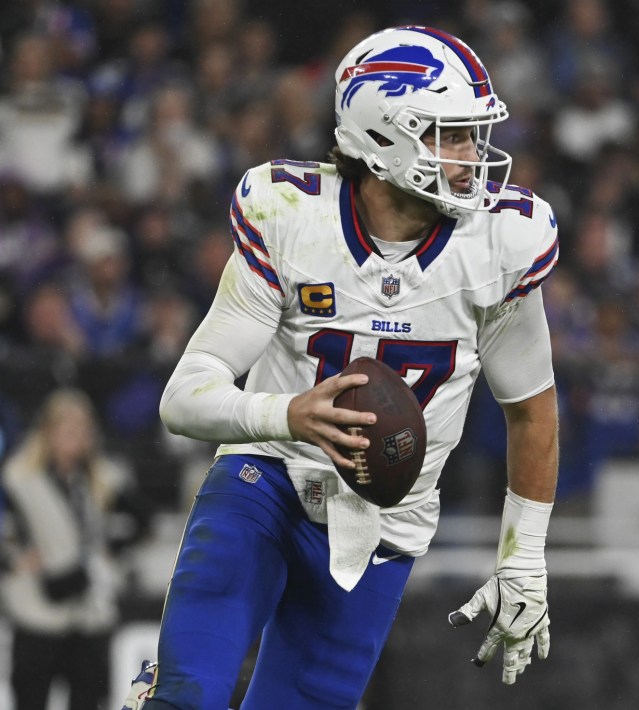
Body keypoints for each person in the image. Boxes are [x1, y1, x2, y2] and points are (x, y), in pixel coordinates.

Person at [121, 26, 559, 710]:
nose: (473, 156)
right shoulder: (293, 217)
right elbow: (183, 397)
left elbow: (532, 411)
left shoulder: (497, 244)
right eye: (449, 134)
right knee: (188, 699)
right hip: (263, 481)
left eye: (474, 134)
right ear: (382, 137)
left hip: (388, 522)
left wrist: (523, 556)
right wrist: (287, 415)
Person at [1, 389, 138, 710]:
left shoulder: (102, 478)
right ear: (47, 431)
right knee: (31, 700)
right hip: (36, 611)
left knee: (88, 700)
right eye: (66, 428)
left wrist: (110, 552)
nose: (74, 437)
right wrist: (12, 560)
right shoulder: (18, 478)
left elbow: (139, 521)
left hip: (88, 612)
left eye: (81, 429)